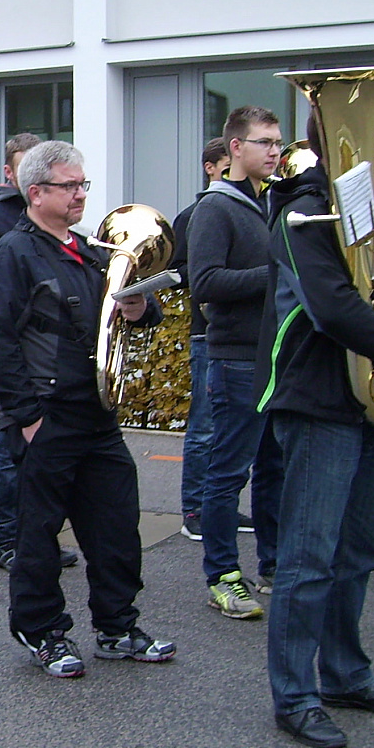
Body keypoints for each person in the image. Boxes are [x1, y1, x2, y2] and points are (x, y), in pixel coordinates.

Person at [257, 127, 374, 748]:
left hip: (368, 399)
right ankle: (295, 695)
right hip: (318, 398)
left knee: (358, 551)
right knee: (309, 557)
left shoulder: (368, 210)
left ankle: (345, 674)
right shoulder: (302, 212)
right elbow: (331, 304)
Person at [0, 140, 176, 678]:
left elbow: (135, 310)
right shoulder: (13, 254)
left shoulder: (90, 250)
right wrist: (28, 417)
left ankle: (117, 626)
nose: (80, 194)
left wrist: (140, 306)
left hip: (95, 414)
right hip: (47, 415)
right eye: (69, 186)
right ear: (35, 193)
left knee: (117, 526)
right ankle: (42, 631)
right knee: (38, 536)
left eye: (82, 184)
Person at [188, 106, 285, 616]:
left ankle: (274, 565)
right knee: (227, 474)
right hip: (236, 360)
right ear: (235, 148)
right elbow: (205, 282)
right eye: (265, 142)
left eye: (278, 142)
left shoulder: (270, 202)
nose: (275, 151)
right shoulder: (216, 208)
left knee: (274, 468)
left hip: (273, 357)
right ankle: (223, 576)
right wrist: (279, 273)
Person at [0, 132, 77, 570]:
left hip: (53, 364)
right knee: (10, 454)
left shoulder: (64, 229)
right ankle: (4, 539)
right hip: (19, 356)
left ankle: (39, 538)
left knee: (48, 465)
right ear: (11, 172)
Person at [172, 138, 236, 541]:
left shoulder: (250, 209)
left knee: (233, 430)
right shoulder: (192, 215)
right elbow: (179, 271)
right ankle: (193, 508)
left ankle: (221, 505)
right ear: (209, 168)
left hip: (241, 336)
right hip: (207, 332)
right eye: (226, 166)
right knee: (204, 427)